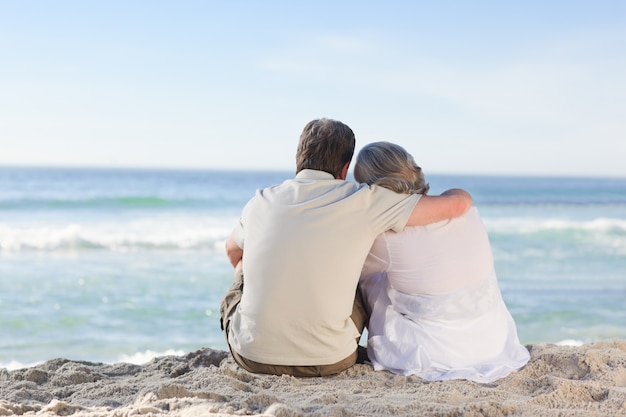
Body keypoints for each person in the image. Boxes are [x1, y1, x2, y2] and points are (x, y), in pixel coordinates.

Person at [220, 118, 473, 377]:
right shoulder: (365, 200)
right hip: (331, 360)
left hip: (250, 356)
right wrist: (459, 191)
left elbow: (232, 251)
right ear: (344, 168)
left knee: (244, 263)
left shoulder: (260, 201)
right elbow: (457, 205)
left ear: (298, 158)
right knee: (361, 275)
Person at [353, 141, 530, 383]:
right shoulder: (467, 212)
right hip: (493, 341)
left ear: (372, 188)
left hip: (435, 354)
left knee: (369, 278)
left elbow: (354, 274)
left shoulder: (386, 237)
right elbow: (459, 197)